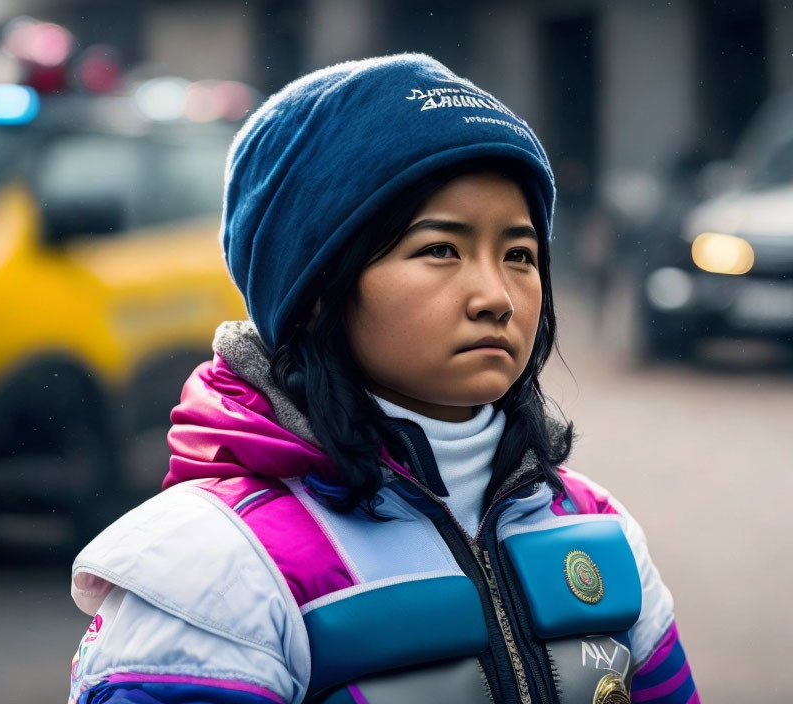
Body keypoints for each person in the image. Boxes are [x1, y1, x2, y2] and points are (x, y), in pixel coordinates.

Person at [68, 54, 698, 704]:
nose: (496, 296)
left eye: (519, 255)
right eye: (440, 250)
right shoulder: (213, 565)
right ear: (317, 291)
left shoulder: (596, 526)